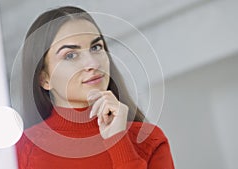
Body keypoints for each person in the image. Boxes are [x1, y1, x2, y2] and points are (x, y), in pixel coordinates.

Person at [14, 6, 174, 169]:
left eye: (96, 47)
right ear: (44, 78)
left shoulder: (149, 140)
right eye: (70, 55)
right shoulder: (20, 153)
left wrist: (119, 143)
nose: (93, 63)